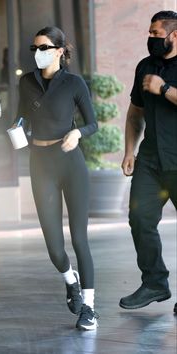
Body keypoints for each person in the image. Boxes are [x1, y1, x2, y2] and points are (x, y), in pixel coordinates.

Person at [14, 26, 98, 330]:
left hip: (71, 164)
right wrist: (15, 134)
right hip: (40, 164)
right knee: (53, 246)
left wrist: (77, 132)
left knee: (79, 239)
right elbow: (20, 118)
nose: (38, 53)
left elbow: (93, 124)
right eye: (35, 48)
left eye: (45, 47)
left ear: (60, 51)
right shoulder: (26, 83)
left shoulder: (74, 83)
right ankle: (69, 281)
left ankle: (88, 307)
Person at [120, 10, 177, 314]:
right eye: (150, 33)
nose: (151, 38)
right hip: (151, 159)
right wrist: (129, 151)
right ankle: (155, 282)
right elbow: (134, 114)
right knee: (140, 220)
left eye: (157, 34)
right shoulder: (145, 66)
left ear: (174, 35)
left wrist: (164, 89)